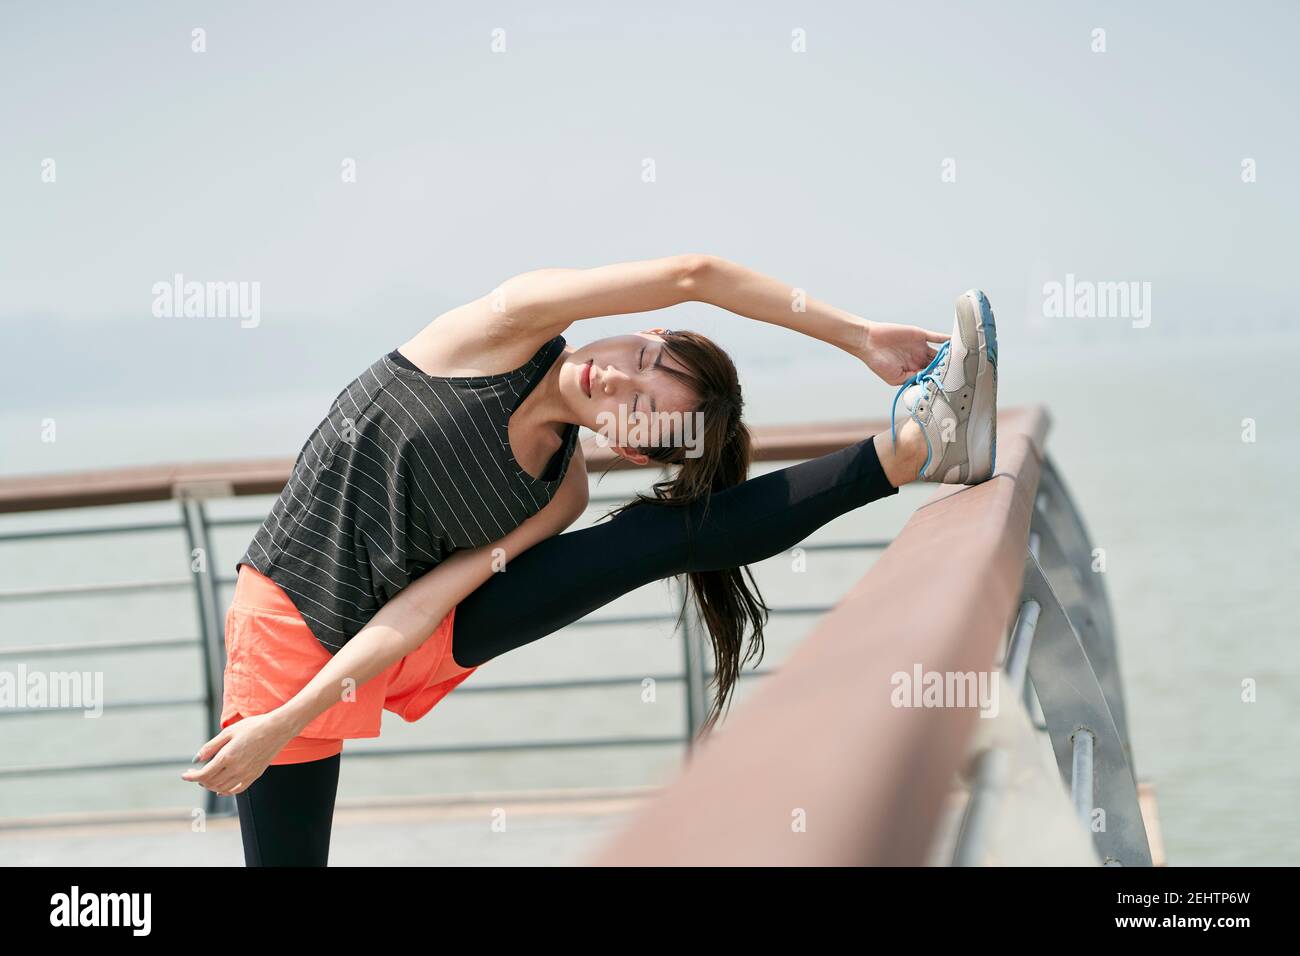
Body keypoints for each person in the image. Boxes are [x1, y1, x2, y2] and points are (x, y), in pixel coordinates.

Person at [180, 254, 999, 865]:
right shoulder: (503, 328)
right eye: (641, 359)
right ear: (647, 331)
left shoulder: (559, 492)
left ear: (634, 450)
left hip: (404, 635)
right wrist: (858, 337)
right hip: (291, 622)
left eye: (639, 409)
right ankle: (925, 436)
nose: (612, 380)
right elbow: (697, 272)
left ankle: (920, 445)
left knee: (656, 538)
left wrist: (290, 722)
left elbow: (421, 609)